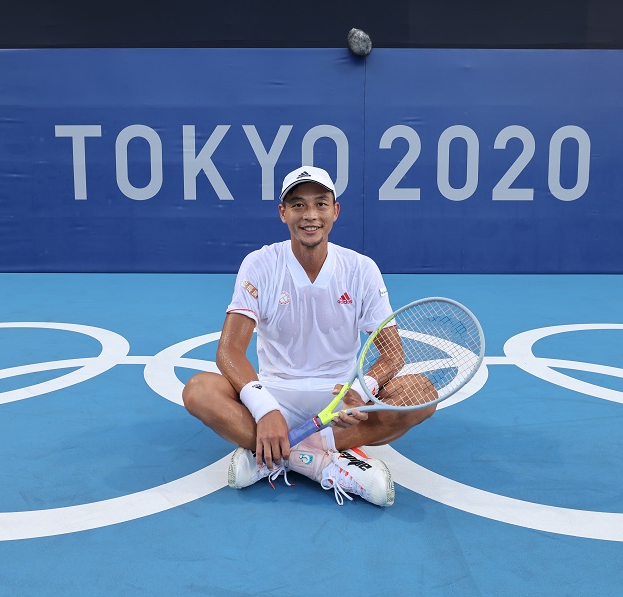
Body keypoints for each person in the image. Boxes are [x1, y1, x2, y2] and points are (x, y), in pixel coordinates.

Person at [181, 166, 436, 507]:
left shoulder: (361, 269)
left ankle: (274, 453)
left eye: (320, 204)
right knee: (198, 391)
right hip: (276, 397)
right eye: (298, 205)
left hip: (339, 406)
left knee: (422, 393)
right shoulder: (260, 264)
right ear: (283, 212)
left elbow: (393, 354)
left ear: (335, 211)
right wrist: (264, 408)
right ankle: (322, 462)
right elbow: (229, 351)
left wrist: (360, 390)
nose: (310, 215)